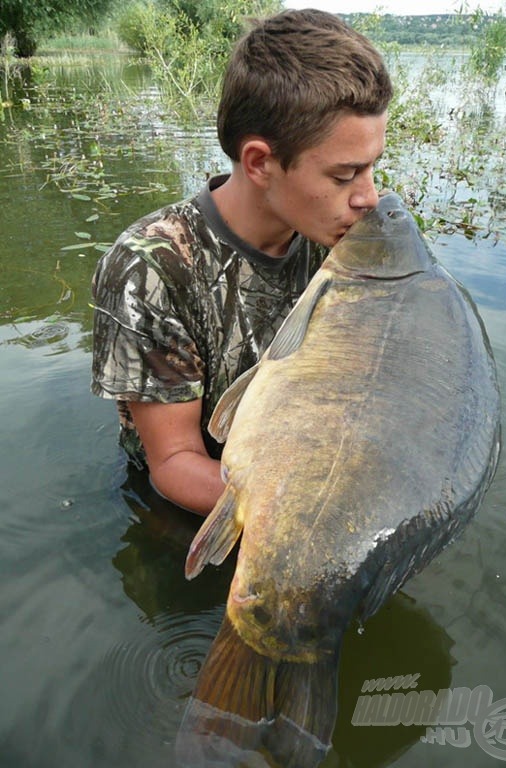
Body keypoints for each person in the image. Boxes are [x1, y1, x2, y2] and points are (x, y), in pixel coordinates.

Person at [91, 8, 393, 516]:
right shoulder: (152, 269)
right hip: (194, 500)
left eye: (372, 168)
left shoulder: (345, 238)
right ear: (259, 162)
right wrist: (316, 510)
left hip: (305, 461)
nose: (370, 197)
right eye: (345, 175)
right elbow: (175, 463)